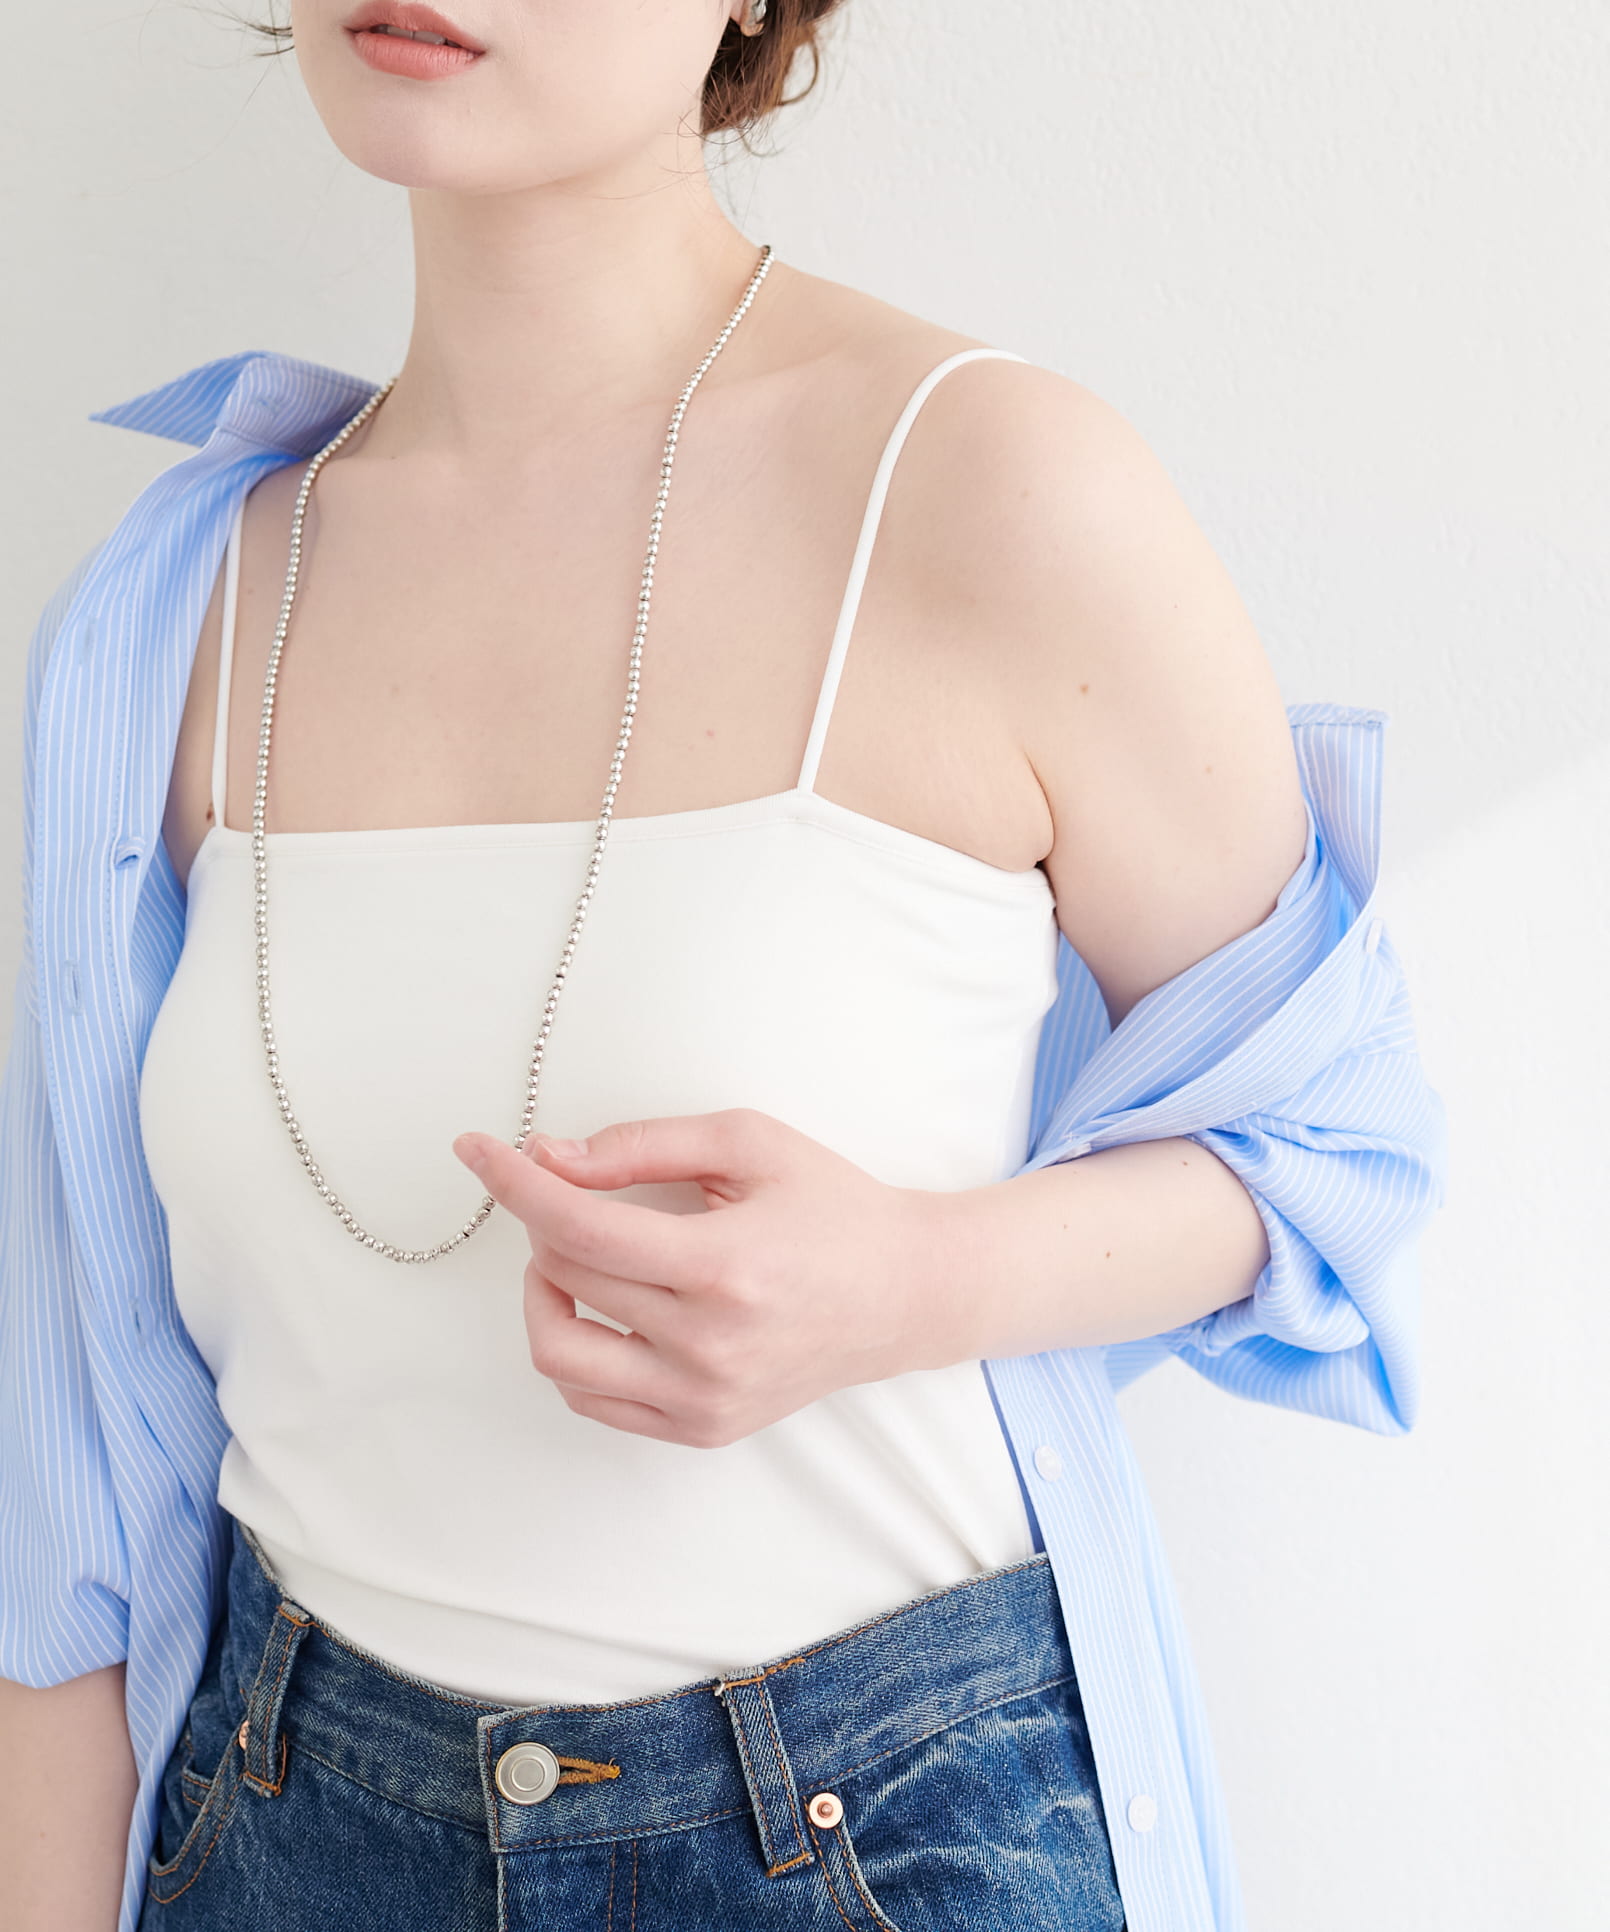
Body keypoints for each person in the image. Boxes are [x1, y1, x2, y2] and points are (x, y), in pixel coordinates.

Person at [0, 3, 1444, 1929]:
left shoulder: (987, 486)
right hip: (278, 1825)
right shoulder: (176, 596)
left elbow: (1332, 1152)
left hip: (864, 1836)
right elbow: (70, 1474)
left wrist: (913, 1283)